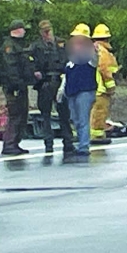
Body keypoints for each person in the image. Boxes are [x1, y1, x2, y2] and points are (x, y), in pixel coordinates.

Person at [31, 20, 75, 154]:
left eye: (48, 31)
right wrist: (35, 73)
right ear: (40, 33)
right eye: (44, 32)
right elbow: (30, 63)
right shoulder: (36, 46)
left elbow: (70, 60)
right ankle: (48, 143)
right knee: (45, 115)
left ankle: (68, 142)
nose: (47, 34)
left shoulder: (62, 44)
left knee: (64, 114)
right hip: (45, 82)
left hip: (60, 81)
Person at [57, 24, 99, 157]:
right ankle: (81, 143)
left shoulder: (90, 56)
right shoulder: (72, 58)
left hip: (85, 92)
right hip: (71, 92)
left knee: (82, 119)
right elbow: (67, 75)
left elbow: (95, 60)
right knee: (75, 119)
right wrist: (62, 89)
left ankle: (84, 147)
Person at [0, 19, 36, 155]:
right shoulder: (9, 47)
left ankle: (15, 143)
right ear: (16, 30)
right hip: (13, 87)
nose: (25, 31)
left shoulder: (17, 45)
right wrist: (17, 85)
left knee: (22, 114)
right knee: (15, 115)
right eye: (23, 29)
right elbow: (11, 69)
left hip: (20, 86)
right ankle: (9, 144)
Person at [90, 23, 119, 145]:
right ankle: (97, 136)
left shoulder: (94, 49)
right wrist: (110, 86)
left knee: (95, 112)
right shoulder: (103, 52)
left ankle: (96, 133)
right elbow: (104, 69)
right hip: (101, 88)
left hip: (95, 87)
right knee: (100, 112)